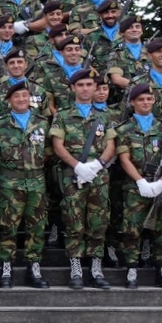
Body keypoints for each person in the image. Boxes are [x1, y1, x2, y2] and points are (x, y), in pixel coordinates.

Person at [48, 70, 116, 289]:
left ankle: (96, 268)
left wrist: (97, 165)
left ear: (96, 88)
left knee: (98, 221)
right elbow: (58, 146)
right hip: (73, 176)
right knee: (73, 221)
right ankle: (75, 266)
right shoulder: (63, 115)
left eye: (89, 84)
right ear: (73, 88)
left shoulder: (104, 116)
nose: (86, 88)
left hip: (98, 176)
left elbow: (111, 145)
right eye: (81, 85)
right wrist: (77, 165)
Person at [0, 80, 51, 289]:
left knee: (37, 226)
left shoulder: (42, 123)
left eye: (24, 96)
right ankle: (6, 266)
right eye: (16, 97)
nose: (21, 100)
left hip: (36, 181)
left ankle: (34, 266)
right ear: (9, 100)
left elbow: (48, 152)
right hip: (9, 182)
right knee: (7, 226)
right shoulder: (0, 124)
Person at [114, 84, 162, 290]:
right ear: (132, 102)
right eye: (141, 99)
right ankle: (131, 266)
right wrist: (140, 181)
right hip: (135, 185)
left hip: (161, 183)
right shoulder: (124, 129)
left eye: (149, 99)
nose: (145, 102)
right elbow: (124, 158)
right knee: (132, 227)